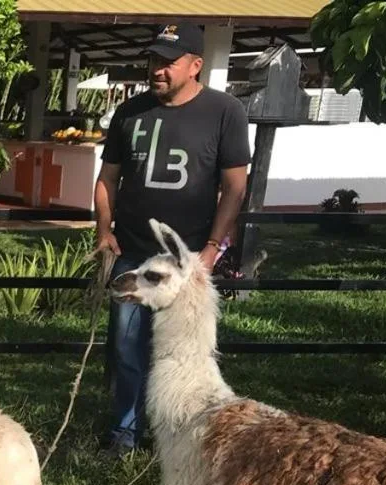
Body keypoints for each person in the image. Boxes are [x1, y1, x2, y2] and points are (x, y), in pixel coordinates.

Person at [95, 23, 252, 456]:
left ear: (196, 65)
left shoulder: (225, 112)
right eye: (154, 61)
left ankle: (182, 431)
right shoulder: (130, 112)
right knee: (127, 346)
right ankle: (125, 431)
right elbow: (107, 178)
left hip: (187, 264)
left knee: (186, 352)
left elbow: (235, 187)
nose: (157, 70)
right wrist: (104, 229)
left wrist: (211, 249)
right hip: (134, 253)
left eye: (169, 62)